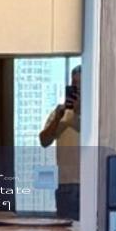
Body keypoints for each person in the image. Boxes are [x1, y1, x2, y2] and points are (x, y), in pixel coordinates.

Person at [39, 64, 81, 221]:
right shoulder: (60, 113)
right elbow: (44, 141)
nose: (77, 88)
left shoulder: (96, 111)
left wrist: (79, 111)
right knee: (65, 229)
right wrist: (57, 118)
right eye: (74, 84)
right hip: (65, 184)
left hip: (92, 182)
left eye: (81, 84)